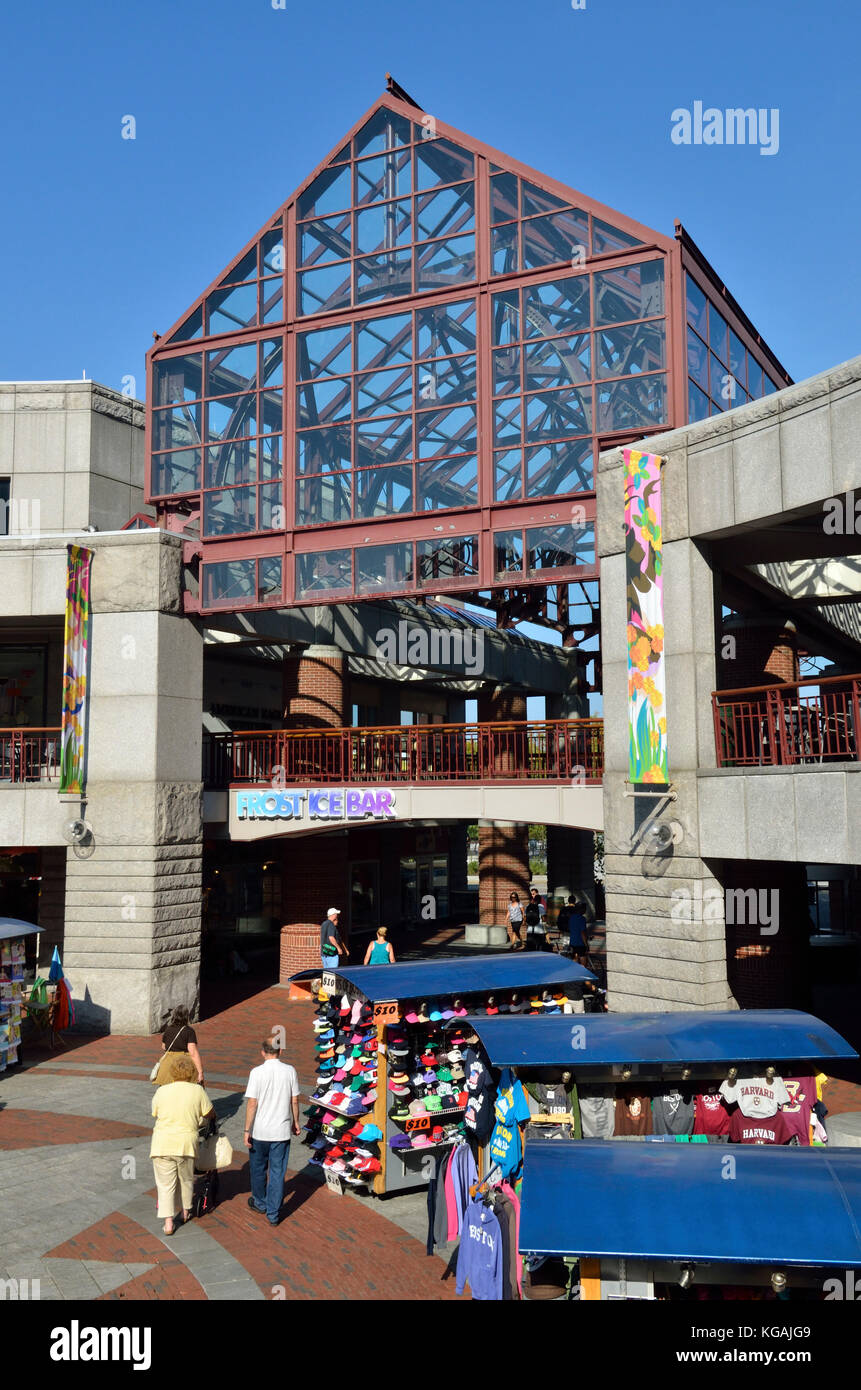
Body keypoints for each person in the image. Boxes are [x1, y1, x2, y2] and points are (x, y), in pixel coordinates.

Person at [150, 1054, 215, 1236]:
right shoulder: (197, 1091)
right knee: (186, 1179)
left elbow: (154, 1113)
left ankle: (168, 1223)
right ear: (191, 1072)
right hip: (186, 1144)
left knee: (165, 1185)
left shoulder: (162, 1091)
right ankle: (186, 1212)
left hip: (162, 1143)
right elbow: (210, 1112)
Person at [244, 1037, 300, 1227]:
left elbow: (252, 1103)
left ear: (263, 1052)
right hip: (281, 1131)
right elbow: (294, 1100)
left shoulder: (256, 1073)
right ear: (280, 1051)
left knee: (257, 1168)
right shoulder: (290, 1071)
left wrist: (246, 1129)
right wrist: (296, 1121)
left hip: (260, 1131)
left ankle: (260, 1202)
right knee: (277, 1172)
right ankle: (274, 1214)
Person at [152, 1005, 205, 1087]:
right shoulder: (189, 1031)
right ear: (186, 1016)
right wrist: (200, 1072)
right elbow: (193, 1052)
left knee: (167, 1090)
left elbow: (164, 1046)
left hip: (168, 1063)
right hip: (183, 1064)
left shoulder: (168, 1029)